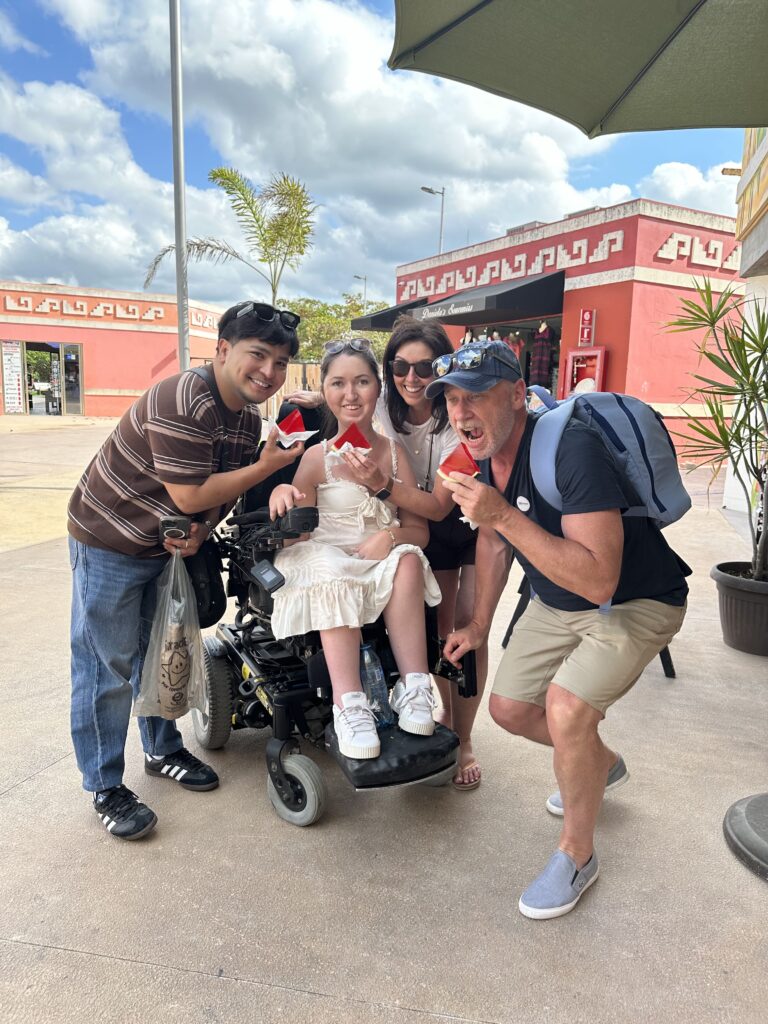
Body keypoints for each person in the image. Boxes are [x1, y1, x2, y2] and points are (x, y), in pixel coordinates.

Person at [430, 340, 689, 919]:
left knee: (567, 709)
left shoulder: (571, 450)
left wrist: (501, 513)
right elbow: (492, 539)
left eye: (475, 395)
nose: (460, 412)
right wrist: (477, 624)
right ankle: (597, 761)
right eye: (450, 399)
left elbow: (600, 581)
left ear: (518, 394)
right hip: (556, 599)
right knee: (510, 709)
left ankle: (577, 854)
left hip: (635, 601)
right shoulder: (480, 453)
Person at [68, 300, 304, 841]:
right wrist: (268, 466)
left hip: (167, 546)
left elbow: (217, 490)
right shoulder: (184, 399)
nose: (269, 372)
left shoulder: (246, 419)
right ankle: (104, 785)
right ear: (222, 350)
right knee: (108, 667)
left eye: (281, 363)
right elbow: (192, 490)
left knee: (165, 650)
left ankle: (163, 749)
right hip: (109, 539)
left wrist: (203, 527)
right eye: (258, 355)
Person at [268, 339, 441, 761]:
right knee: (330, 568)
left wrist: (392, 536)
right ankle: (350, 705)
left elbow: (420, 532)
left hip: (379, 558)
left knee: (406, 560)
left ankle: (414, 687)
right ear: (325, 392)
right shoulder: (316, 457)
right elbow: (299, 538)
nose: (351, 395)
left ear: (377, 389)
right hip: (326, 555)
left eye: (362, 382)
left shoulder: (395, 455)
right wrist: (282, 489)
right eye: (339, 384)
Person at [342, 317, 488, 790]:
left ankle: (462, 738)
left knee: (467, 631)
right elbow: (344, 413)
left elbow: (440, 505)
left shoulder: (457, 418)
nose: (411, 379)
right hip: (409, 520)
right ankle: (435, 716)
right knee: (437, 629)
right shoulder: (383, 405)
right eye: (400, 367)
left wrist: (382, 486)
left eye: (424, 369)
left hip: (467, 522)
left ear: (441, 370)